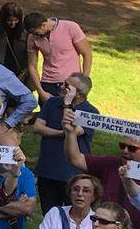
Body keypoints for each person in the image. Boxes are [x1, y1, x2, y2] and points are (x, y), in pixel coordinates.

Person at [29, 72, 98, 209]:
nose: (61, 86)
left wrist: (67, 104)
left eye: (66, 86)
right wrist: (62, 133)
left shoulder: (91, 113)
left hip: (72, 175)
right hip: (47, 171)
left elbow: (70, 130)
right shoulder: (52, 102)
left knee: (73, 214)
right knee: (49, 214)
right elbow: (37, 127)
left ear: (78, 94)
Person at [24, 13, 92, 96]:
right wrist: (40, 91)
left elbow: (87, 54)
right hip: (47, 83)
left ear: (43, 25)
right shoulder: (32, 37)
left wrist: (84, 80)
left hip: (71, 82)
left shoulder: (70, 27)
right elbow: (32, 65)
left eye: (36, 33)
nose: (35, 35)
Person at [0, 3, 29, 77]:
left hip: (19, 73)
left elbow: (30, 56)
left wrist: (24, 72)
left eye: (16, 20)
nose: (13, 23)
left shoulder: (25, 32)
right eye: (9, 20)